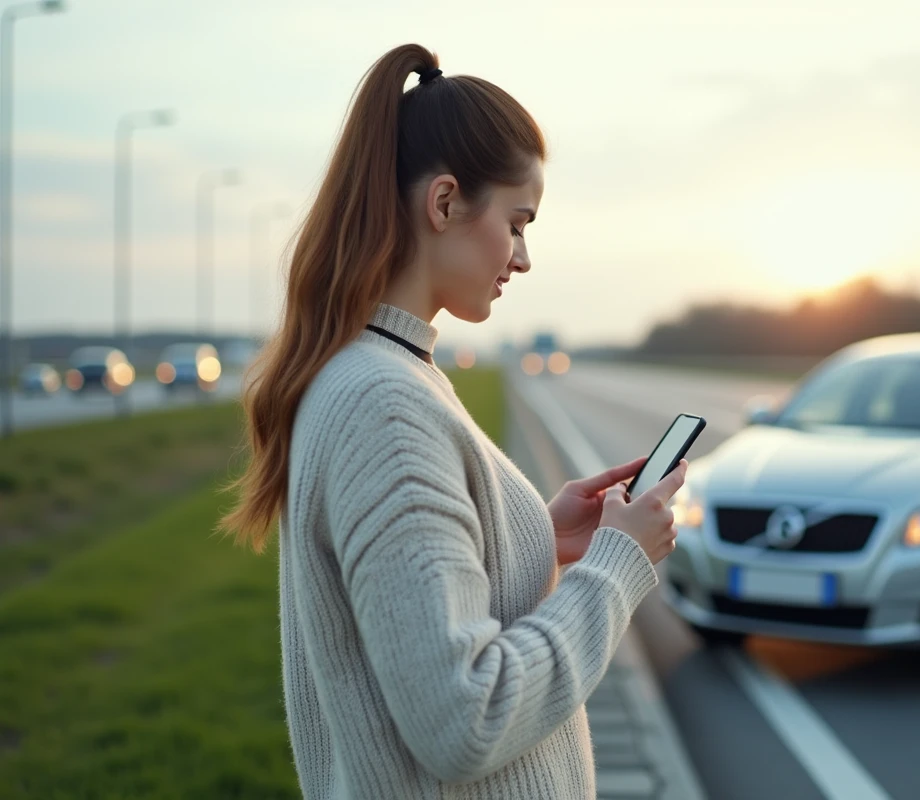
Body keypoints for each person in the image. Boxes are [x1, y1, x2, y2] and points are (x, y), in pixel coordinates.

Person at [221, 43, 686, 799]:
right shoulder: (384, 404)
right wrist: (615, 568)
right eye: (519, 220)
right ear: (444, 203)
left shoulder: (388, 372)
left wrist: (538, 535)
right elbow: (465, 719)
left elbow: (416, 606)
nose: (524, 257)